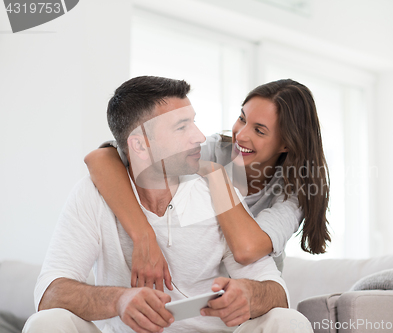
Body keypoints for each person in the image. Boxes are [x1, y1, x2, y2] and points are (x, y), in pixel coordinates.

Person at [23, 76, 313, 333]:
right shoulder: (94, 192)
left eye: (194, 122)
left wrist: (249, 294)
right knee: (45, 324)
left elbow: (273, 286)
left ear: (286, 143)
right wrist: (120, 297)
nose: (200, 136)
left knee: (289, 322)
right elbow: (49, 294)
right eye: (182, 126)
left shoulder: (223, 187)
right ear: (139, 145)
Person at [84, 79, 331, 290]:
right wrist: (143, 236)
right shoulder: (215, 149)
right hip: (198, 289)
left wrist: (216, 176)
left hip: (249, 293)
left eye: (259, 130)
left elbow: (246, 249)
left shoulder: (293, 195)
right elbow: (100, 158)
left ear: (286, 143)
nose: (241, 135)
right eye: (242, 118)